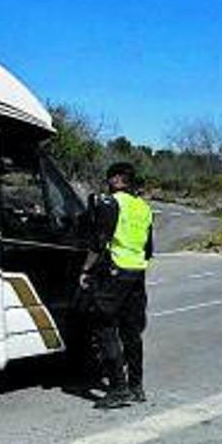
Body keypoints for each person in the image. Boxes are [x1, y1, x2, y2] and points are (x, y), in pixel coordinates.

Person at [78, 162, 154, 409]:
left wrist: (86, 269)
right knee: (131, 331)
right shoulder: (144, 207)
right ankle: (136, 387)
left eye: (110, 178)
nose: (108, 182)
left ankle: (118, 389)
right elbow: (148, 248)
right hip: (137, 272)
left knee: (104, 326)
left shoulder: (111, 203)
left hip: (114, 272)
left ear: (119, 180)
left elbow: (100, 240)